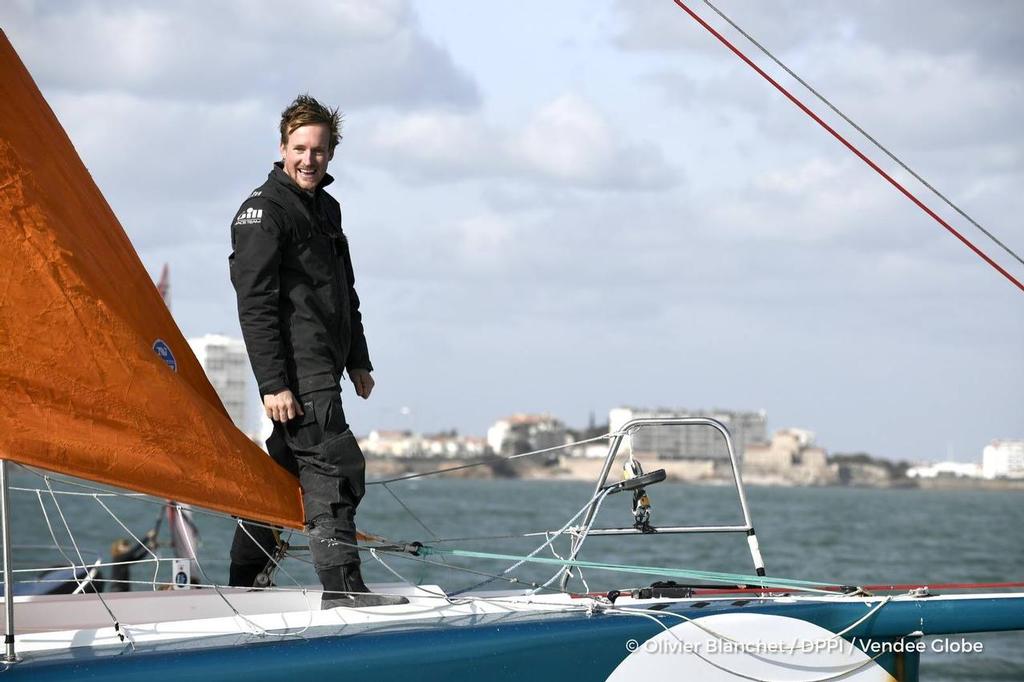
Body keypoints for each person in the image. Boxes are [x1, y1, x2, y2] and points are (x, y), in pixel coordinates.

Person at [227, 94, 406, 609]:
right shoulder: (262, 212)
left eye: (320, 150)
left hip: (327, 363)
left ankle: (241, 586)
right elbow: (255, 305)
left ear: (331, 154)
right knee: (335, 467)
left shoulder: (326, 208)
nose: (310, 159)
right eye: (300, 148)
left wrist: (359, 359)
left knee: (280, 476)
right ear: (283, 148)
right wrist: (272, 383)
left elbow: (342, 292)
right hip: (297, 373)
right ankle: (343, 591)